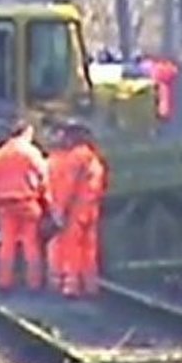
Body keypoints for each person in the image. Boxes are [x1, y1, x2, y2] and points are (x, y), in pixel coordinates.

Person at [0, 120, 52, 291]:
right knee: (30, 243)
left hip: (4, 204)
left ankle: (4, 282)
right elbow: (43, 176)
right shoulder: (31, 153)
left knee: (7, 243)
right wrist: (47, 200)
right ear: (27, 132)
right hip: (27, 202)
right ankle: (34, 283)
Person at [60, 123, 108, 298]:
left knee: (72, 246)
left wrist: (60, 209)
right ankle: (91, 285)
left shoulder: (75, 157)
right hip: (92, 207)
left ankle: (71, 286)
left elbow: (68, 186)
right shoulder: (95, 159)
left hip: (76, 208)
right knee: (89, 249)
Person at [44, 124, 74, 291]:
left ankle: (55, 280)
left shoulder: (48, 163)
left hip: (53, 205)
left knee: (54, 244)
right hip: (71, 207)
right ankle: (68, 281)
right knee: (69, 244)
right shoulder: (70, 161)